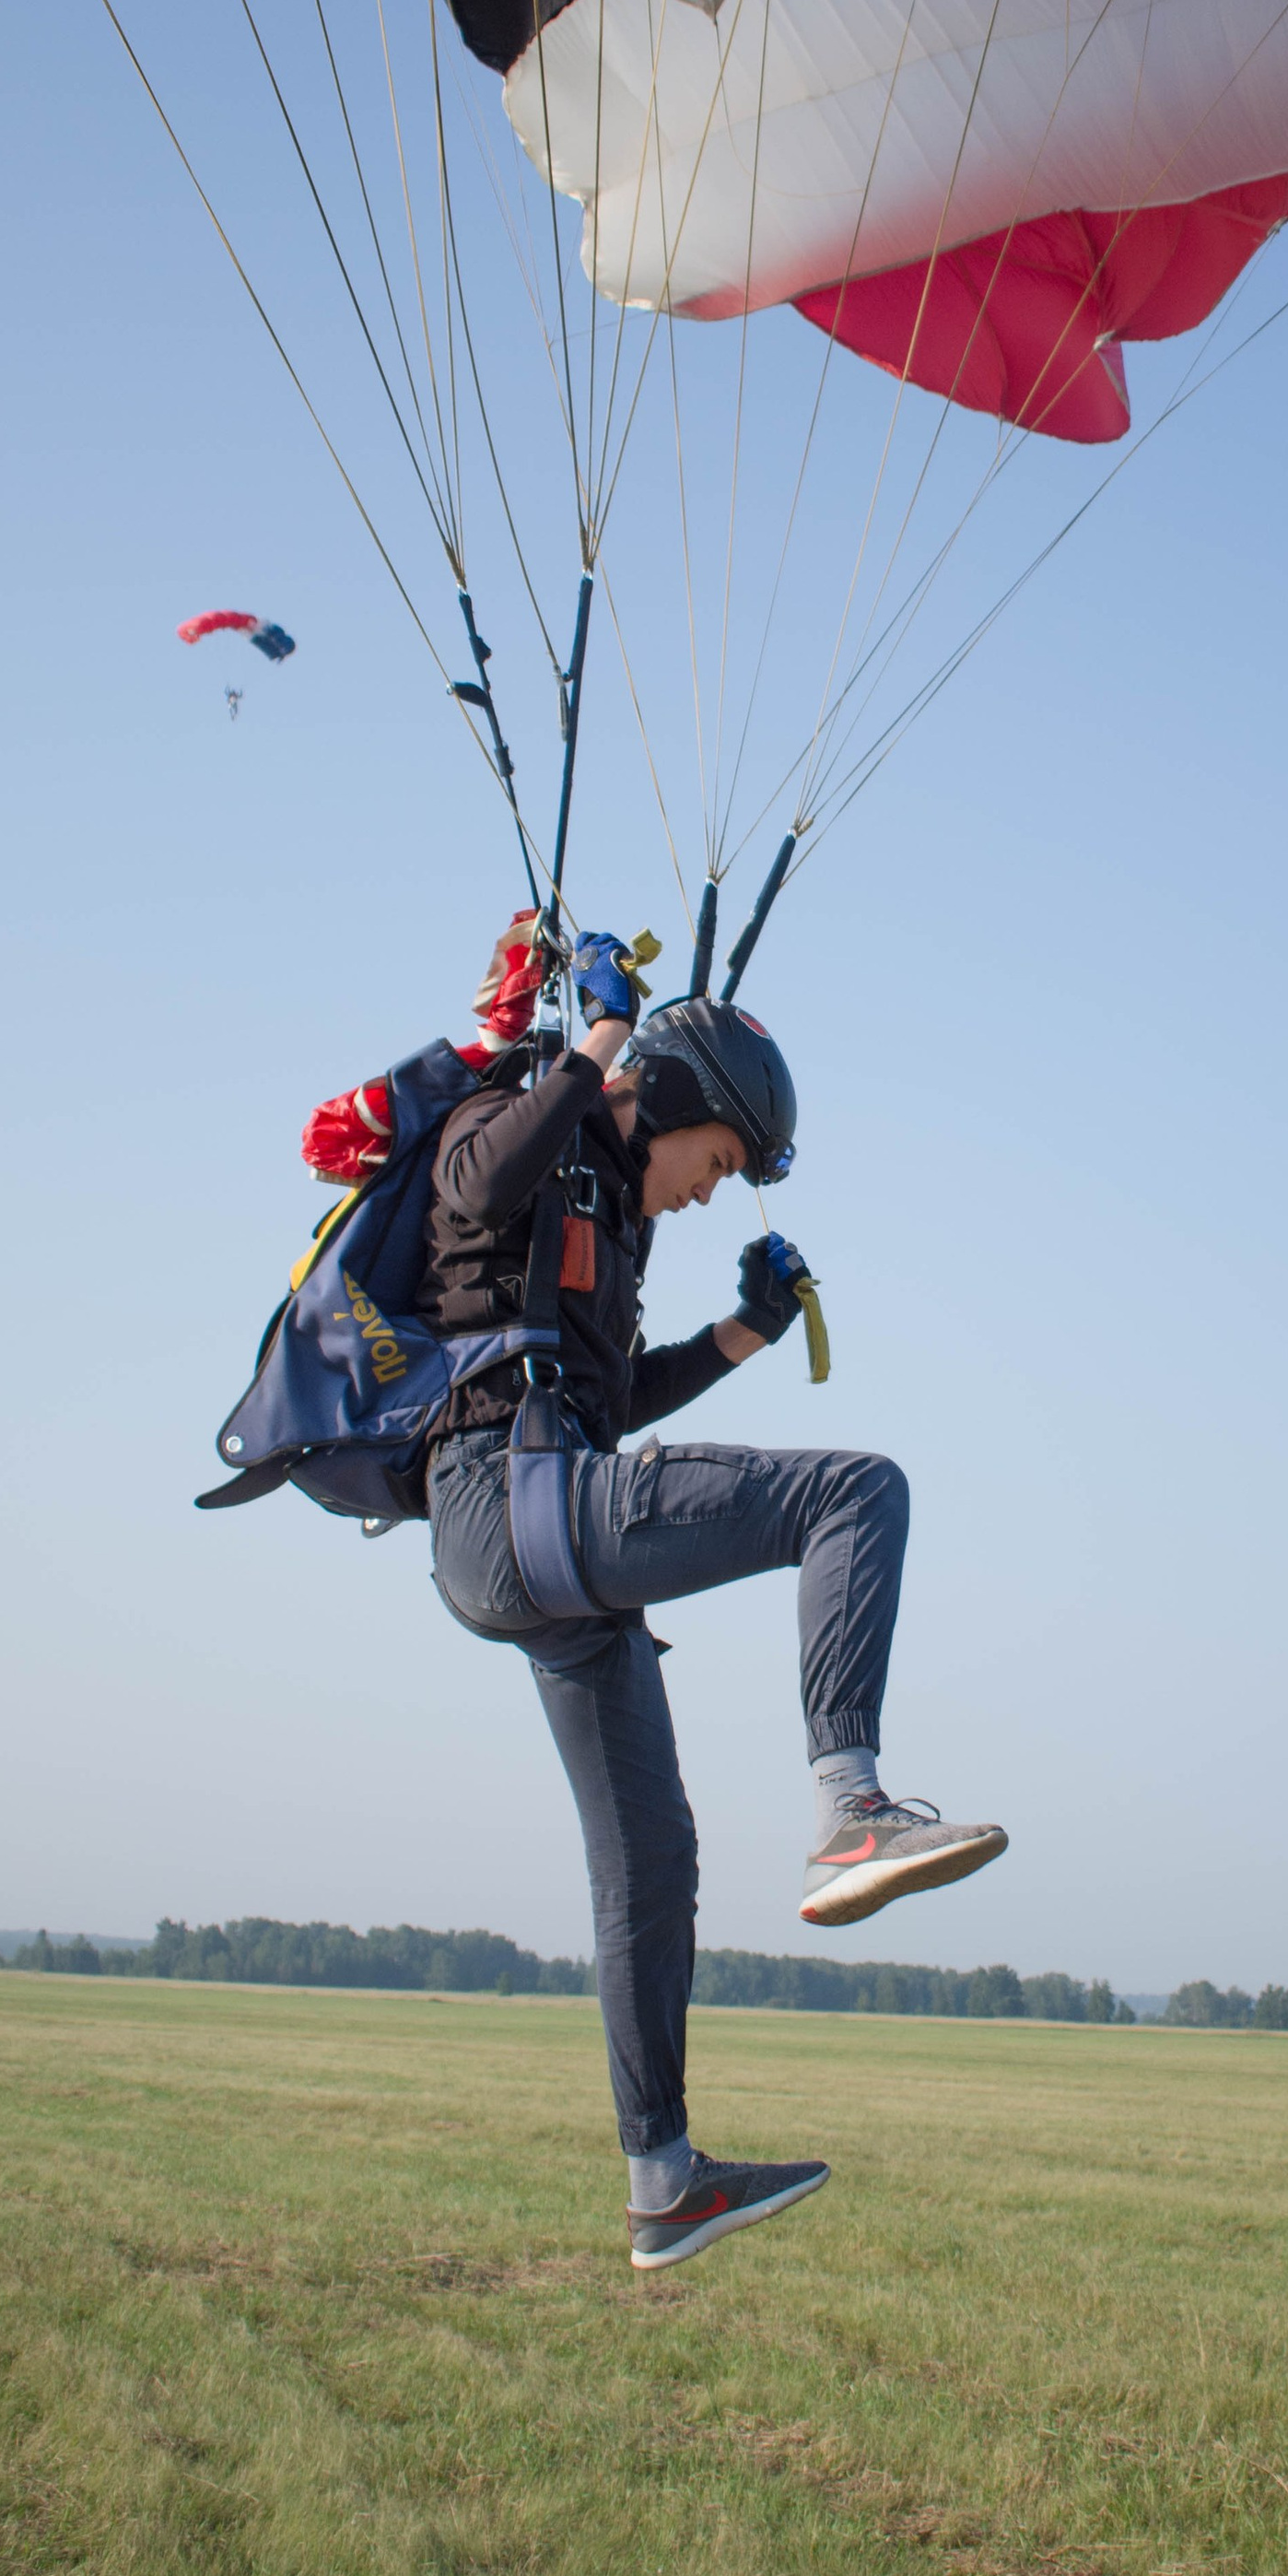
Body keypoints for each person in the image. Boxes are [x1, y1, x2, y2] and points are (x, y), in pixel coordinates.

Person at [417, 922, 1007, 2270]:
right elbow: (470, 1178)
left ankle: (661, 2179)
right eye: (718, 1162)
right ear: (670, 1102)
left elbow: (610, 1398)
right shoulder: (528, 1123)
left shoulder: (600, 1220)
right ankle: (852, 1808)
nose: (705, 1193)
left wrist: (741, 1335)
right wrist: (602, 1040)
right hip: (512, 1505)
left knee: (652, 1865)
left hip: (541, 1533)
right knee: (858, 1491)